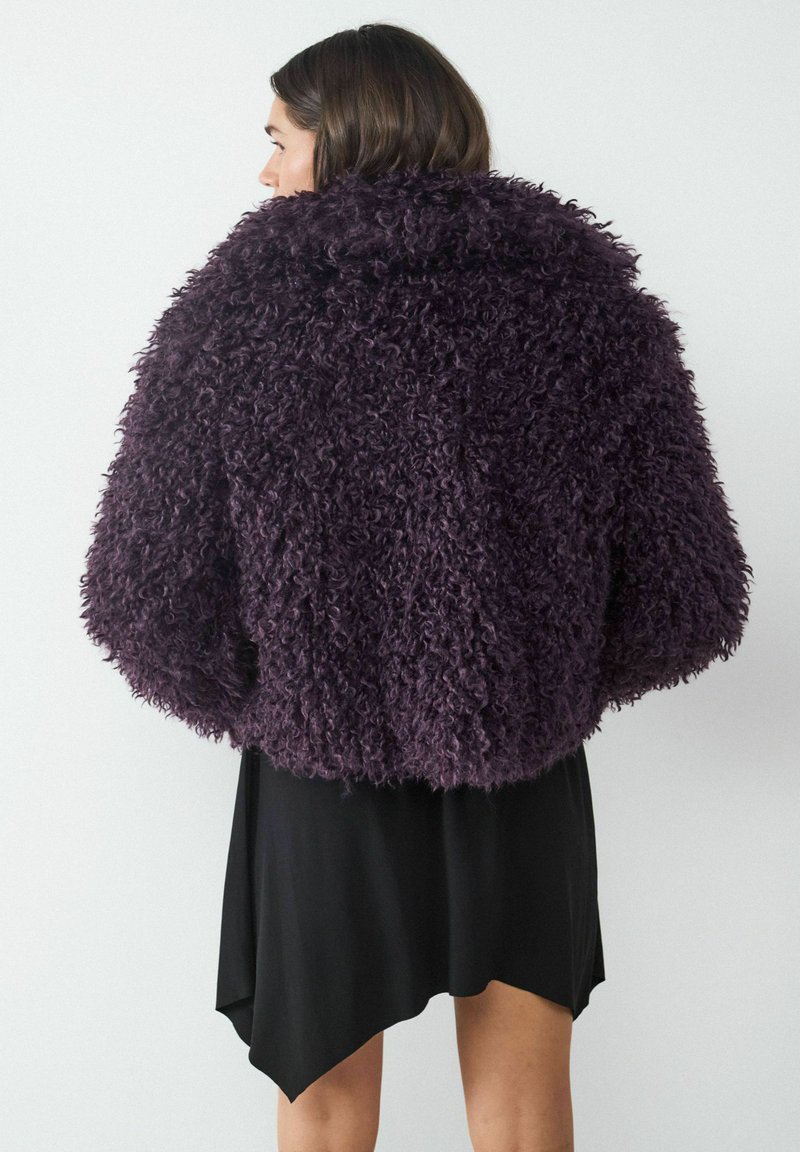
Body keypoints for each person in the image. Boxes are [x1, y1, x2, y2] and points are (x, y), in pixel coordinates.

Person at [79, 22, 753, 1152]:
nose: (265, 171)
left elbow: (140, 594)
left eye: (280, 139)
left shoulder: (239, 307)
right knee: (524, 1111)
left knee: (326, 1102)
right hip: (519, 759)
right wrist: (539, 675)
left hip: (318, 767)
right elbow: (688, 589)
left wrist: (279, 698)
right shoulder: (580, 297)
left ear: (344, 135)